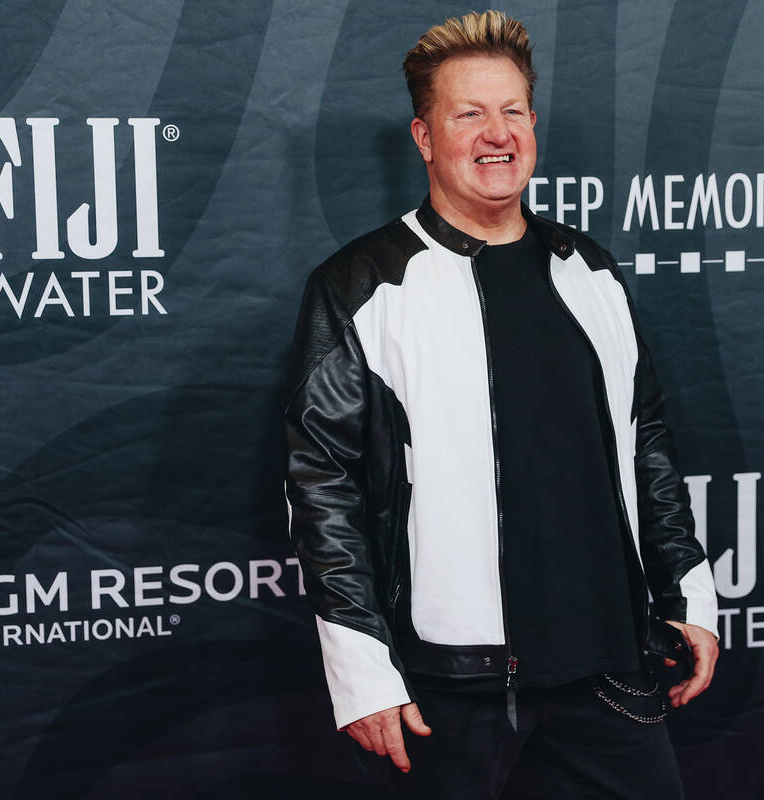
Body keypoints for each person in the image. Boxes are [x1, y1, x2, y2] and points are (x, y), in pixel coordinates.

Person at [284, 10, 719, 798]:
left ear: (534, 125)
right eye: (469, 113)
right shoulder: (361, 286)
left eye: (513, 110)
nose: (497, 133)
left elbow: (645, 440)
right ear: (424, 137)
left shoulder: (588, 270)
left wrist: (687, 592)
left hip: (609, 672)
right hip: (448, 693)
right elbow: (324, 490)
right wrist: (363, 670)